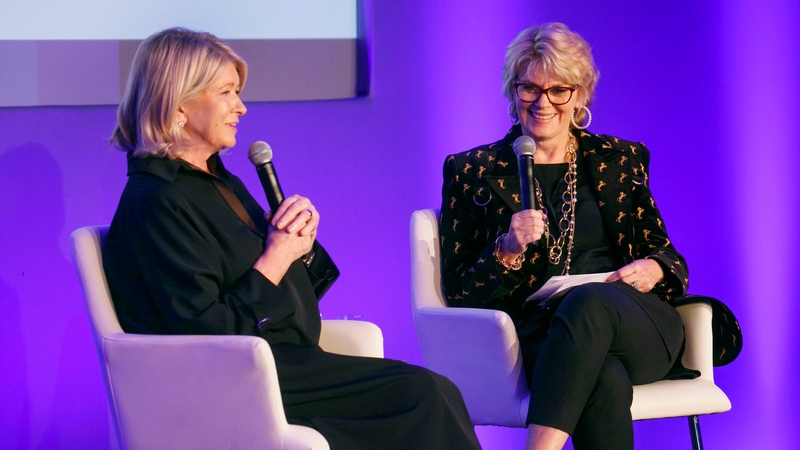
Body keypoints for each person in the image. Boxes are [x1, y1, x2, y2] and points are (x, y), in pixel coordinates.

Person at [103, 27, 481, 450]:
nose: (241, 107)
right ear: (179, 106)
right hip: (239, 379)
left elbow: (287, 291)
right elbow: (207, 331)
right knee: (424, 396)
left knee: (436, 392)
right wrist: (277, 255)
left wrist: (299, 243)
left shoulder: (215, 181)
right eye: (226, 92)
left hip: (287, 362)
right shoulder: (156, 201)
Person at [439, 23, 695, 450]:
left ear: (580, 95)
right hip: (545, 337)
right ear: (512, 90)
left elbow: (669, 257)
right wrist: (505, 252)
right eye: (529, 89)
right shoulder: (472, 172)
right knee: (602, 381)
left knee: (590, 300)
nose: (544, 103)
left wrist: (652, 269)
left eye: (560, 90)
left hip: (634, 326)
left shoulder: (620, 159)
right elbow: (459, 291)